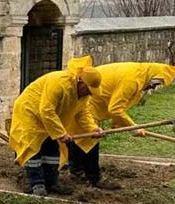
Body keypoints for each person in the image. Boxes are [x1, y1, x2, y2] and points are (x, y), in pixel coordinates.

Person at [68, 58, 175, 189]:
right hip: (87, 102)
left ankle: (76, 171)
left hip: (91, 101)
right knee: (91, 138)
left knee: (83, 137)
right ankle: (94, 178)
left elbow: (121, 103)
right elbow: (115, 108)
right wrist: (134, 128)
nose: (154, 87)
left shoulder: (140, 76)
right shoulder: (132, 80)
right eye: (155, 84)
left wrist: (118, 123)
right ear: (153, 76)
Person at [8, 63, 104, 196]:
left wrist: (93, 128)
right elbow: (46, 110)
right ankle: (37, 184)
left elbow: (82, 112)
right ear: (80, 81)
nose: (89, 93)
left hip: (50, 117)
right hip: (30, 113)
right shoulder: (59, 83)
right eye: (88, 90)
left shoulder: (83, 95)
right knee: (32, 149)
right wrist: (60, 133)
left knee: (52, 149)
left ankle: (52, 182)